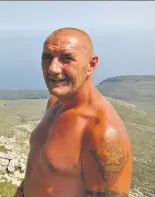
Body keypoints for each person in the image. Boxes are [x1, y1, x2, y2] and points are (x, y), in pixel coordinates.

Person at [14, 27, 133, 197]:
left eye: (67, 58)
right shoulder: (55, 103)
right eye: (47, 57)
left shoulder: (102, 133)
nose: (52, 68)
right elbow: (37, 167)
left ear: (91, 65)